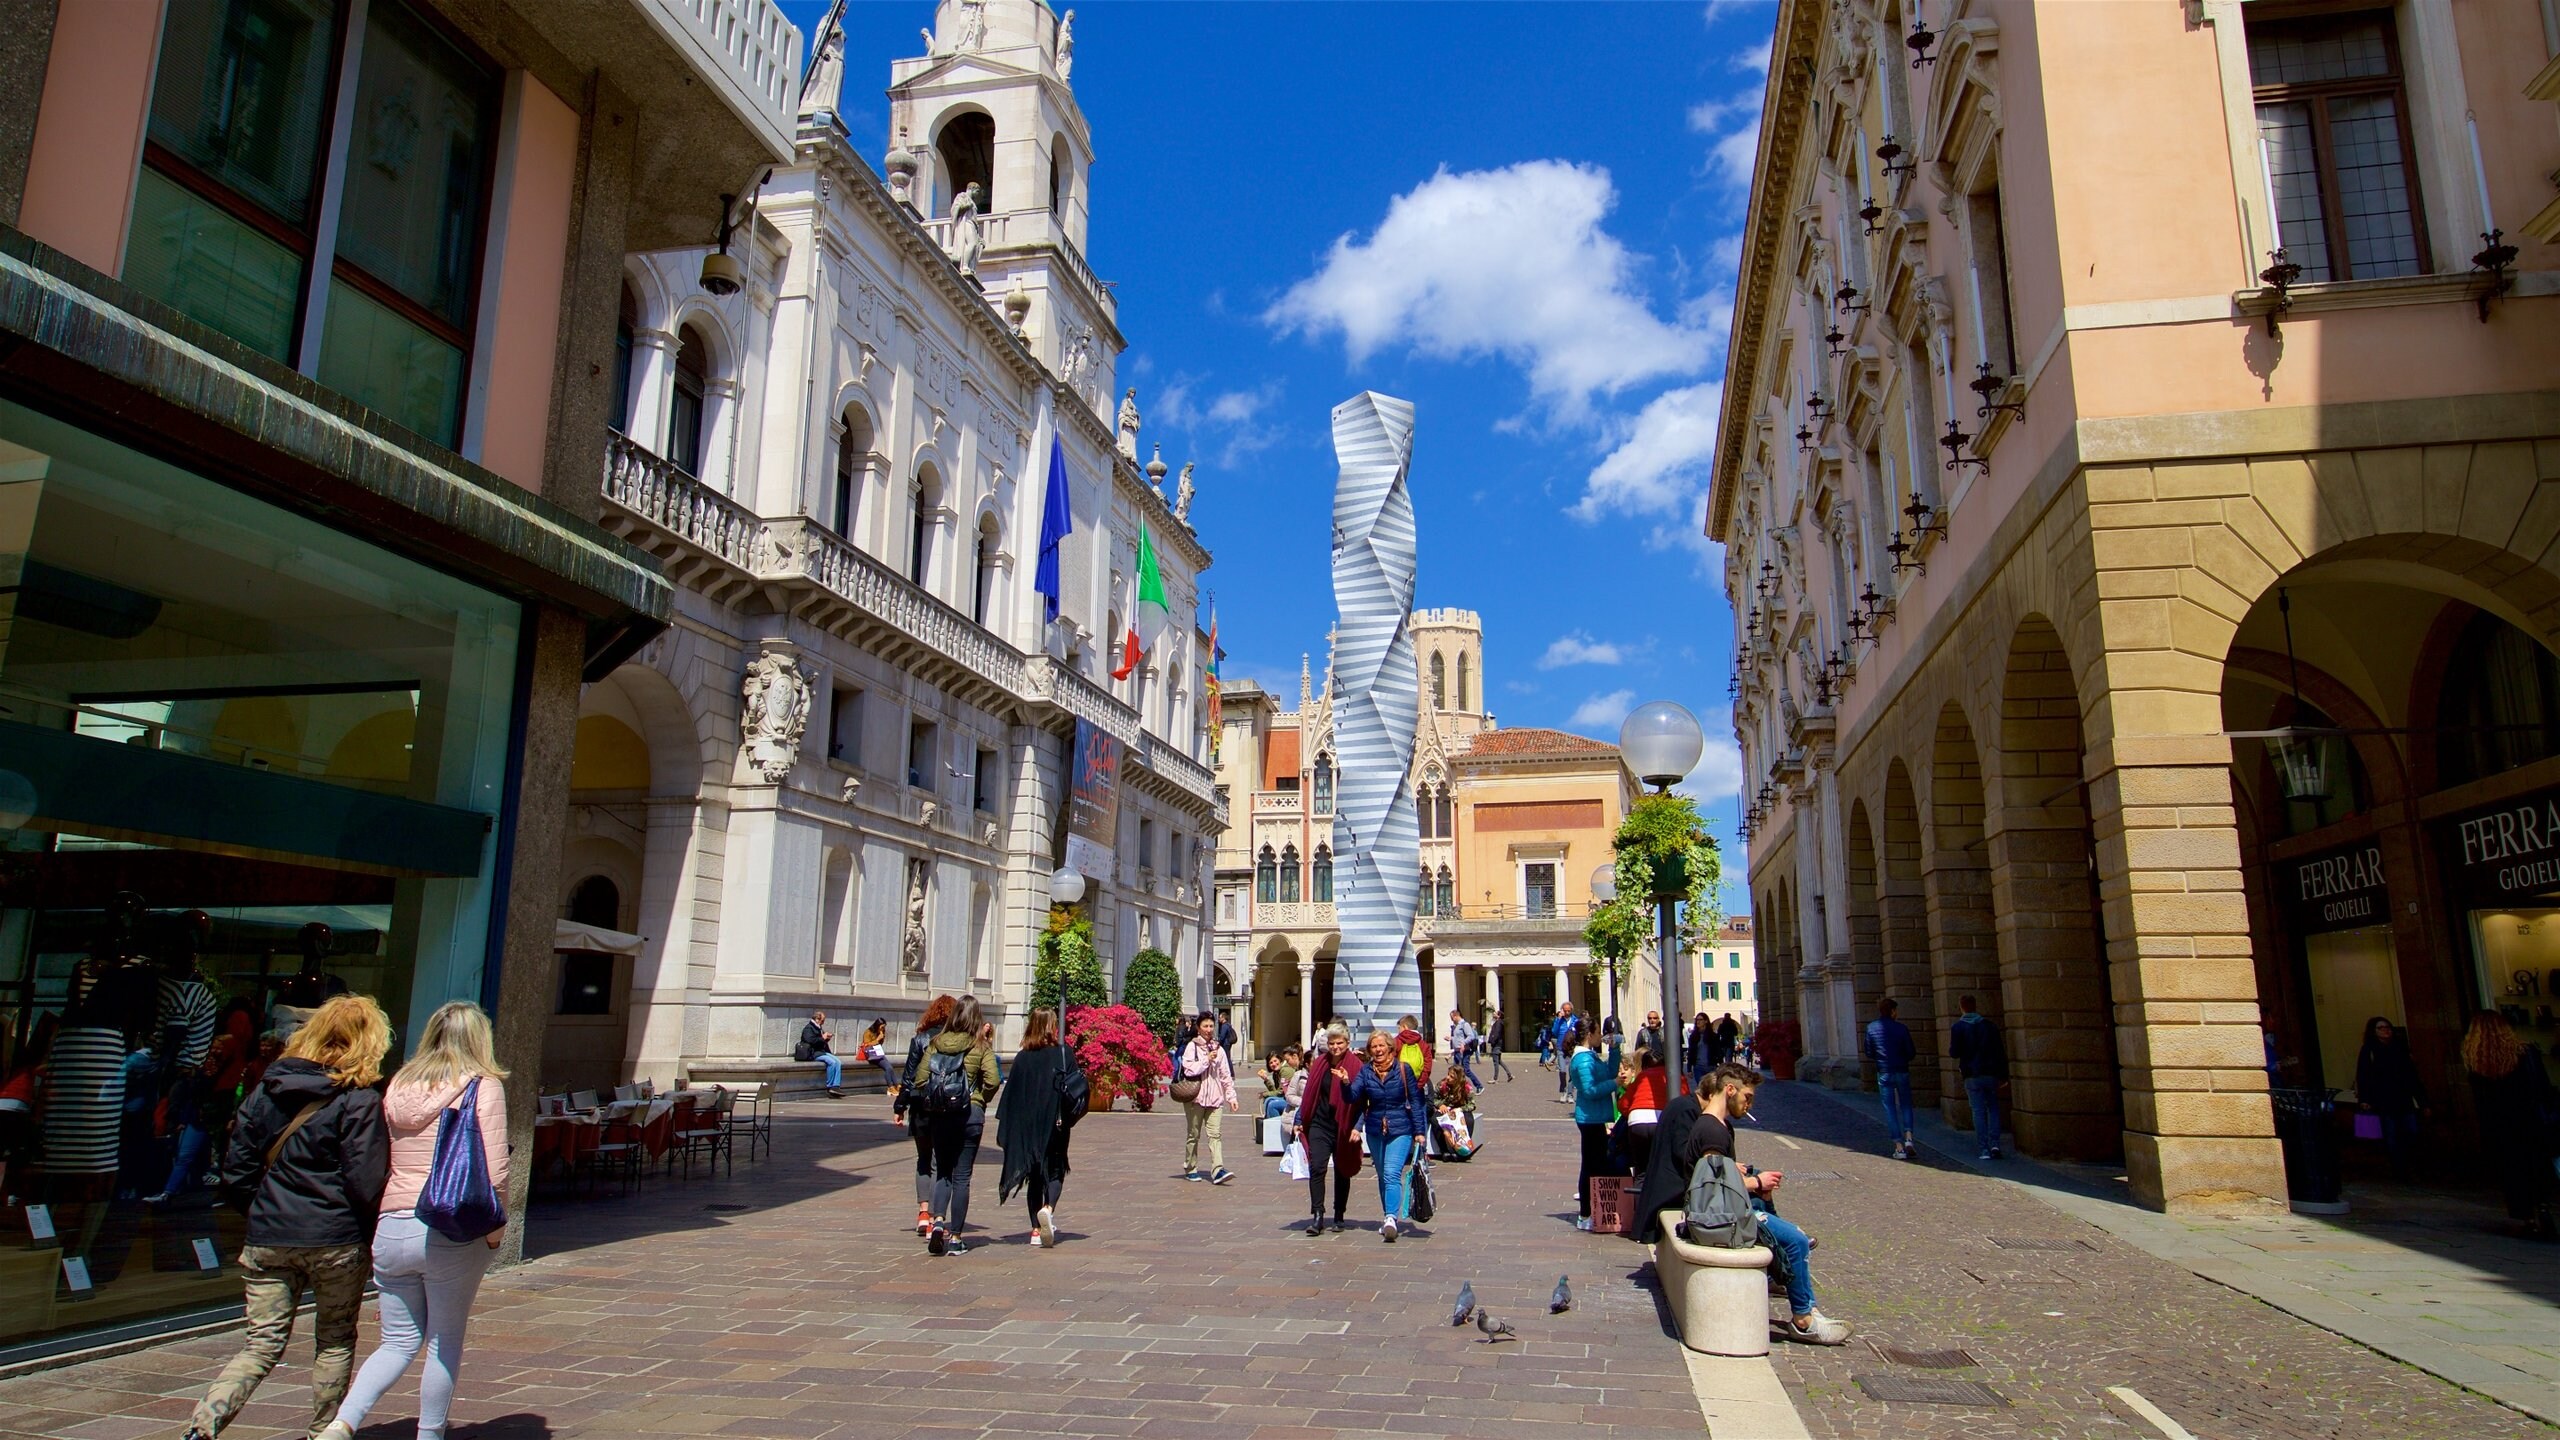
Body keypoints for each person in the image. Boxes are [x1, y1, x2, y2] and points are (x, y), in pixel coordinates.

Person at [181, 995, 391, 1440]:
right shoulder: (359, 1100)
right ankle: (322, 1432)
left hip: (269, 1235)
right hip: (335, 1238)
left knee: (260, 1345)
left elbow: (235, 1170)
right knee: (334, 1339)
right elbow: (365, 1182)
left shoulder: (268, 1088)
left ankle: (203, 1425)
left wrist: (263, 1210)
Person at [319, 1002, 509, 1440]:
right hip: (449, 1224)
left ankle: (343, 1423)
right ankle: (429, 1434)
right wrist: (496, 1236)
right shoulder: (482, 1086)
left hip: (392, 1224)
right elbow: (496, 1172)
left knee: (397, 1341)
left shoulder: (399, 1084)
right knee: (444, 1341)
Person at [1681, 1063, 1849, 1344]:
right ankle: (1804, 1320)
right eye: (1747, 1097)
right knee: (1795, 1240)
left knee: (1789, 1231)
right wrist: (1758, 1183)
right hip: (1720, 1220)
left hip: (1728, 1211)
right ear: (1730, 1090)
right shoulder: (1712, 1131)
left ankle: (1807, 1306)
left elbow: (1720, 1174)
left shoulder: (1719, 1126)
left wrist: (1744, 1173)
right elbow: (1713, 1187)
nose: (1749, 1105)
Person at [910, 995, 1000, 1255]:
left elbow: (920, 1079)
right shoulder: (979, 1045)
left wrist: (936, 1098)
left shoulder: (936, 1043)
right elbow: (993, 1080)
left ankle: (937, 1222)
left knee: (943, 1171)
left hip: (941, 1115)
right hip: (969, 1114)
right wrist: (980, 1099)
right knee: (962, 1176)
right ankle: (957, 1237)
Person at [2461, 1011, 2557, 1237]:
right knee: (2536, 1165)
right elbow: (2542, 1086)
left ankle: (2528, 1217)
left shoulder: (2476, 1059)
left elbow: (2481, 1100)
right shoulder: (2525, 1052)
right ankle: (2542, 1206)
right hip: (2529, 1119)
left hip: (2500, 1125)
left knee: (2513, 1171)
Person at [997, 1008, 1077, 1249]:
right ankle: (1048, 1208)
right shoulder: (1063, 1054)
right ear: (1052, 1026)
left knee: (1034, 1176)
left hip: (1028, 1125)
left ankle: (1035, 1229)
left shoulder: (1022, 1057)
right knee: (1055, 1170)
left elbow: (1010, 1097)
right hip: (1056, 1122)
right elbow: (1075, 1087)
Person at [1345, 1029, 1433, 1242]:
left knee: (1392, 1173)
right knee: (1383, 1175)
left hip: (1401, 1128)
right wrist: (1345, 1083)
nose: (1378, 1050)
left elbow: (1416, 1100)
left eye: (1381, 1046)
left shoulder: (1403, 1069)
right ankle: (1387, 1216)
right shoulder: (1366, 1072)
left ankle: (1392, 1218)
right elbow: (1353, 1098)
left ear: (1390, 1047)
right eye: (1374, 1046)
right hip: (1375, 1129)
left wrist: (1420, 1132)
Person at [894, 994, 958, 1235]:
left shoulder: (920, 1039)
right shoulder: (956, 1041)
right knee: (942, 1162)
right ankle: (936, 1214)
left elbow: (909, 1077)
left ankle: (923, 1212)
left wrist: (899, 1107)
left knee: (923, 1159)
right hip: (947, 1106)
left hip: (921, 1104)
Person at [1293, 1024, 1364, 1234]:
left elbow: (1360, 1099)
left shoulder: (1355, 1065)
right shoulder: (1320, 1064)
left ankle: (1339, 1214)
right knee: (1317, 1166)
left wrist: (1346, 1082)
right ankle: (1317, 1215)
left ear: (1347, 1043)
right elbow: (1309, 1096)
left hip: (1343, 1124)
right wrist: (1300, 1118)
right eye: (1331, 1043)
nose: (1335, 1047)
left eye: (1339, 1043)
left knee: (1342, 1169)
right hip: (1320, 1123)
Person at [1567, 1019, 1625, 1231]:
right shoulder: (1582, 1060)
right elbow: (1590, 1090)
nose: (1601, 1036)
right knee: (1590, 1165)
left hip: (1597, 1117)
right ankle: (1585, 1213)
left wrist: (1615, 1050)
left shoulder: (1589, 1056)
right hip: (1589, 1118)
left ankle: (1592, 1210)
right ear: (1589, 1034)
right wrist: (1615, 1084)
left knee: (1596, 1163)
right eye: (1598, 1032)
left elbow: (1609, 1072)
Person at [2353, 1015, 2425, 1176]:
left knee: (2411, 1132)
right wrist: (2365, 1099)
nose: (2386, 1031)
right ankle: (2398, 1168)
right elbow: (2363, 1074)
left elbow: (2412, 1075)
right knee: (2391, 1134)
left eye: (2387, 1027)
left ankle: (2409, 1164)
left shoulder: (2400, 1048)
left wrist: (2422, 1100)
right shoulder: (2370, 1049)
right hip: (2383, 1099)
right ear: (2374, 1031)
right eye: (2381, 1028)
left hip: (2402, 1097)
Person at [1176, 1012, 1238, 1184]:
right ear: (1199, 1028)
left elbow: (1225, 1075)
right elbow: (1189, 1070)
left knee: (1215, 1134)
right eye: (1205, 1026)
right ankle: (1190, 1167)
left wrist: (1231, 1097)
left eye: (1211, 1026)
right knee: (1193, 1134)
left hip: (1215, 1099)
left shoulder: (1219, 1049)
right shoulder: (1192, 1047)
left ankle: (1218, 1170)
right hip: (1196, 1097)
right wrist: (1206, 1060)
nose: (1209, 1029)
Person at [1947, 995, 2008, 1160]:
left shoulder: (1958, 1027)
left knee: (1978, 1111)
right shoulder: (1989, 1026)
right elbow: (2000, 1051)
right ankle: (1995, 1144)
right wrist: (2004, 1075)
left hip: (1971, 1074)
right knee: (1993, 1108)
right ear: (1975, 1006)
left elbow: (1954, 1053)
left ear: (1961, 1007)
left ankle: (1984, 1149)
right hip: (1990, 1073)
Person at [1863, 997, 1919, 1160]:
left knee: (1890, 1108)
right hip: (1901, 1069)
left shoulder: (1871, 1028)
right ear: (1893, 1011)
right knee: (1906, 1104)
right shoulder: (1901, 1028)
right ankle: (1909, 1138)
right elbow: (1911, 1052)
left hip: (1884, 1071)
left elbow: (1868, 1051)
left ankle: (1899, 1147)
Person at [1618, 1043, 1671, 1178]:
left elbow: (1623, 1104)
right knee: (1661, 1168)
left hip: (1637, 1121)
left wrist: (1629, 1114)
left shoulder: (1642, 1077)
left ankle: (1638, 1198)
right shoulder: (1673, 1076)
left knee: (1641, 1170)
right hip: (1661, 1121)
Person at [797, 1009, 843, 1098]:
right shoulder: (809, 1028)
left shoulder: (818, 1028)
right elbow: (810, 1040)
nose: (823, 1023)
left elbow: (820, 1041)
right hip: (813, 1053)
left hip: (821, 1051)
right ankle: (829, 1086)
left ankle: (836, 1085)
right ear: (817, 1019)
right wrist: (822, 1037)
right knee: (831, 1062)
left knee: (838, 1061)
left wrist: (826, 1038)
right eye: (822, 1020)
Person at [1447, 1010, 1482, 1089]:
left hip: (1463, 1051)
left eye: (1452, 1017)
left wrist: (1463, 1043)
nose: (1451, 1019)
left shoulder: (1464, 1025)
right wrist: (1451, 1038)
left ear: (1456, 1016)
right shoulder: (1457, 1026)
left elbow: (1471, 1036)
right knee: (1455, 1071)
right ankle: (1457, 1088)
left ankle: (1479, 1086)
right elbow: (1458, 1038)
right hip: (1457, 1051)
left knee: (1466, 1070)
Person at [1259, 1048, 1297, 1119]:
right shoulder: (1276, 1073)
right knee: (1269, 1100)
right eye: (1271, 1062)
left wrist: (1265, 1094)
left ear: (1280, 1060)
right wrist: (1266, 1080)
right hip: (1286, 1098)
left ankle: (1276, 1127)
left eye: (1275, 1061)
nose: (1274, 1064)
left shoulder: (1286, 1071)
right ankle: (1269, 1124)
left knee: (1272, 1105)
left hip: (1292, 1101)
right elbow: (1276, 1091)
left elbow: (1280, 1093)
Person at [858, 1018, 895, 1090]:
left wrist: (881, 1036)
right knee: (888, 1068)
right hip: (870, 1054)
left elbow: (880, 1045)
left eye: (884, 1027)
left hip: (877, 1053)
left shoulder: (882, 1032)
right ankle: (890, 1087)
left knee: (890, 1068)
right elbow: (866, 1045)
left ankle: (896, 1085)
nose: (883, 1029)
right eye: (882, 1027)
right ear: (877, 1026)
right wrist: (877, 1039)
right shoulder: (868, 1032)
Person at [1686, 1010, 1716, 1088]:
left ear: (1706, 1021)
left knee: (1711, 1089)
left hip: (1711, 1067)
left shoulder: (1713, 1036)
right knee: (1701, 1088)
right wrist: (1689, 1069)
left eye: (1700, 1020)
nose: (1698, 1022)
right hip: (1698, 1067)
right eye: (1697, 1020)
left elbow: (1718, 1051)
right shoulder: (1693, 1036)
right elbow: (1690, 1053)